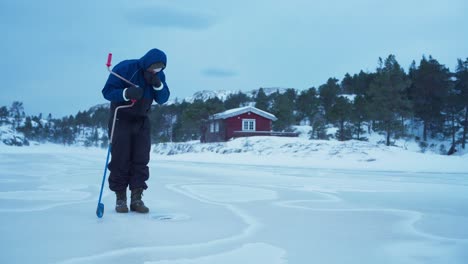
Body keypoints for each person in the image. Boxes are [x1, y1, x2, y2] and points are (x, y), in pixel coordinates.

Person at [102, 48, 170, 213]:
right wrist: (126, 92)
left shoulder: (158, 76)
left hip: (142, 120)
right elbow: (107, 92)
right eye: (154, 66)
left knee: (141, 159)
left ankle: (136, 198)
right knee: (120, 159)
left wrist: (158, 85)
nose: (156, 70)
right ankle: (120, 199)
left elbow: (163, 98)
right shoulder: (125, 68)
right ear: (147, 62)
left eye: (160, 68)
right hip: (121, 119)